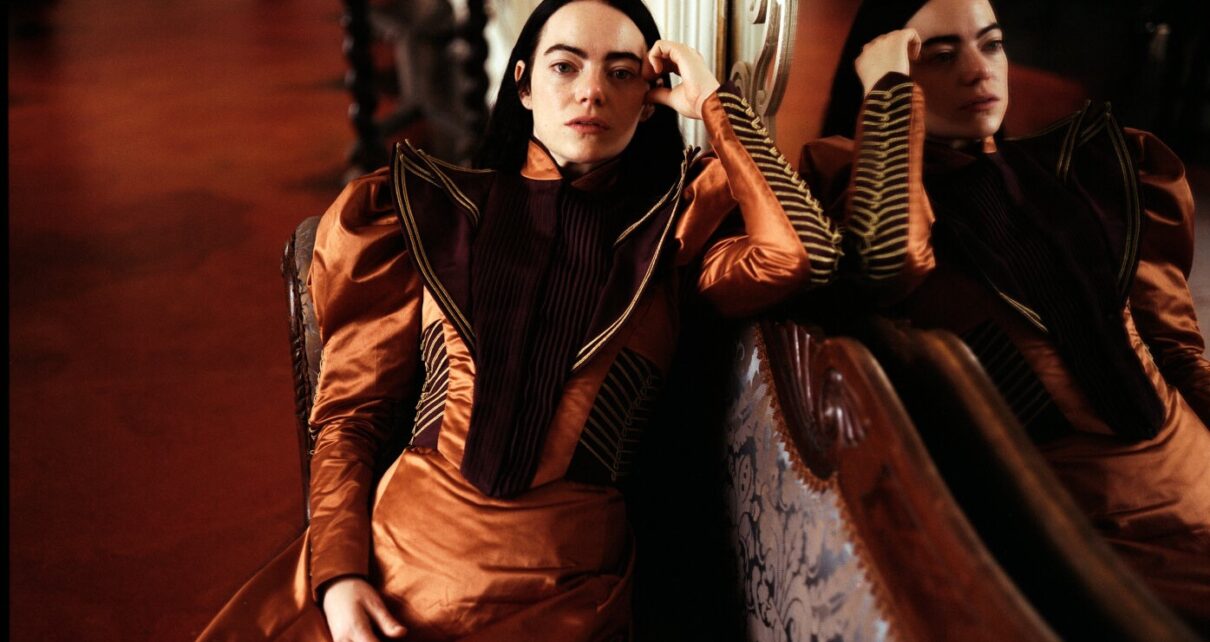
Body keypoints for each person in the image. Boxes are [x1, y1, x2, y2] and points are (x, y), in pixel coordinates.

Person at [198, 1, 911, 639]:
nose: (591, 90)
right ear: (523, 84)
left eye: (623, 74)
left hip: (564, 597)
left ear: (651, 101)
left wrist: (714, 104)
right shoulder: (431, 211)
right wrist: (339, 576)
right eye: (565, 65)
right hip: (389, 573)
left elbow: (803, 254)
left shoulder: (675, 235)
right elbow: (351, 418)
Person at [801, 0, 1210, 628]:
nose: (978, 71)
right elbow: (889, 261)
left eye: (990, 44)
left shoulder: (1087, 169)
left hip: (1192, 469)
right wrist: (887, 93)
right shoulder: (848, 182)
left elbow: (1177, 350)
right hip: (1081, 531)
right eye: (940, 56)